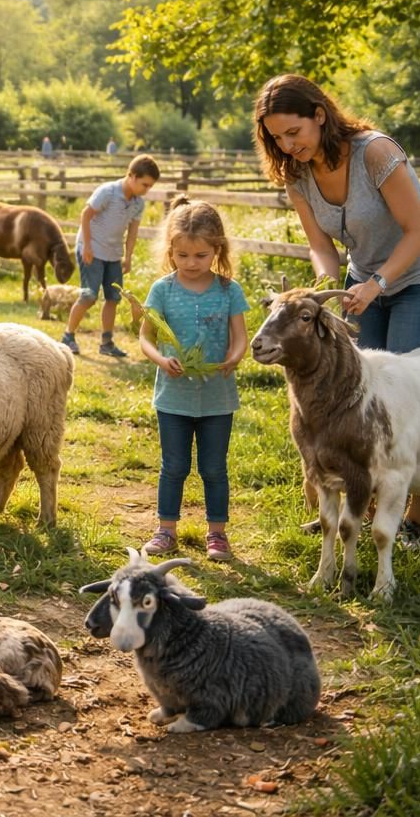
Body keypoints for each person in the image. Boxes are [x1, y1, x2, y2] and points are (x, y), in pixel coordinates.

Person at [255, 73, 420, 547]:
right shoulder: (298, 175)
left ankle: (414, 518)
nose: (287, 146)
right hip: (363, 282)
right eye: (276, 138)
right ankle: (360, 505)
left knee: (407, 389)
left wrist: (377, 284)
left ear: (319, 115)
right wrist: (324, 288)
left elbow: (418, 232)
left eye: (294, 132)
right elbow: (321, 247)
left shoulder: (376, 153)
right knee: (356, 386)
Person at [136, 198, 249, 561]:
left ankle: (217, 533)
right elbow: (145, 338)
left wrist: (235, 355)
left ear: (217, 249)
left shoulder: (229, 290)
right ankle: (166, 529)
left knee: (214, 467)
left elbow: (240, 336)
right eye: (182, 255)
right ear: (171, 251)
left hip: (217, 396)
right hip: (173, 397)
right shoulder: (162, 290)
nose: (191, 263)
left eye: (200, 255)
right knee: (174, 466)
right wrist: (161, 360)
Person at [62, 154, 161, 357]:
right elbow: (86, 215)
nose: (146, 190)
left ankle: (106, 343)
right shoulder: (108, 192)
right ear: (131, 176)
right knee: (89, 295)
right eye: (144, 184)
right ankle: (68, 336)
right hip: (92, 249)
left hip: (113, 253)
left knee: (114, 297)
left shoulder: (138, 203)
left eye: (150, 186)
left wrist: (128, 256)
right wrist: (87, 246)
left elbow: (133, 231)